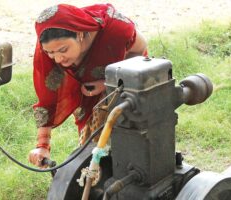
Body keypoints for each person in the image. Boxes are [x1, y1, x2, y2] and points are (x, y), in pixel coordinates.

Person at [28, 3, 147, 167]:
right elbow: (47, 96)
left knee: (128, 132)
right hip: (88, 91)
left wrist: (108, 82)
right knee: (93, 143)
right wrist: (42, 145)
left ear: (79, 34)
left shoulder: (115, 30)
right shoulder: (48, 46)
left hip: (124, 81)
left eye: (63, 50)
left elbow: (140, 49)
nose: (57, 59)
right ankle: (99, 171)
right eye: (50, 53)